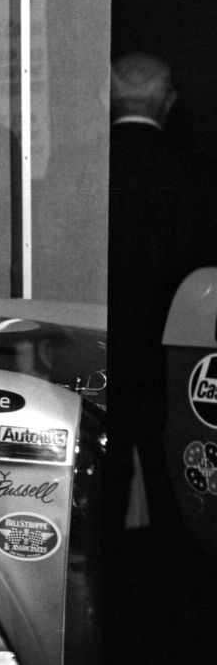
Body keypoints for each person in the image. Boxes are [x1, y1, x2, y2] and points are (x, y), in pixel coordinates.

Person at [108, 52, 217, 536]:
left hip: (97, 346)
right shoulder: (196, 174)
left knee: (101, 478)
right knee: (175, 473)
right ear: (168, 101)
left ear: (109, 98)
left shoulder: (82, 168)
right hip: (171, 355)